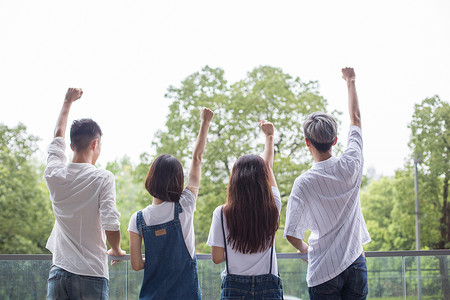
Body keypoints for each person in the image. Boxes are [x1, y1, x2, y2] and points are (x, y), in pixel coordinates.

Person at [284, 67, 371, 299]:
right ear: (334, 140)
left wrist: (305, 249)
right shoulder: (351, 164)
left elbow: (291, 233)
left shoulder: (303, 183)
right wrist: (350, 80)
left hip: (322, 272)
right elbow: (356, 119)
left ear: (306, 142)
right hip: (356, 263)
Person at [44, 88, 125, 300]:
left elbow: (57, 136)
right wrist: (116, 248)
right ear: (95, 143)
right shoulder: (102, 178)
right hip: (92, 275)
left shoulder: (54, 173)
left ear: (71, 146)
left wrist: (67, 101)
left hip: (58, 273)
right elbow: (110, 221)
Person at [128, 107, 214, 300]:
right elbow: (197, 159)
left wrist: (156, 260)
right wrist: (205, 123)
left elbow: (136, 264)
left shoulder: (138, 219)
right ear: (178, 181)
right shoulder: (185, 206)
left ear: (151, 178)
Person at [207, 120, 283, 300]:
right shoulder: (274, 207)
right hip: (268, 289)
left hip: (234, 290)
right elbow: (268, 168)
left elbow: (217, 258)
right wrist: (269, 137)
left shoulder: (221, 213)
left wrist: (236, 249)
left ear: (235, 181)